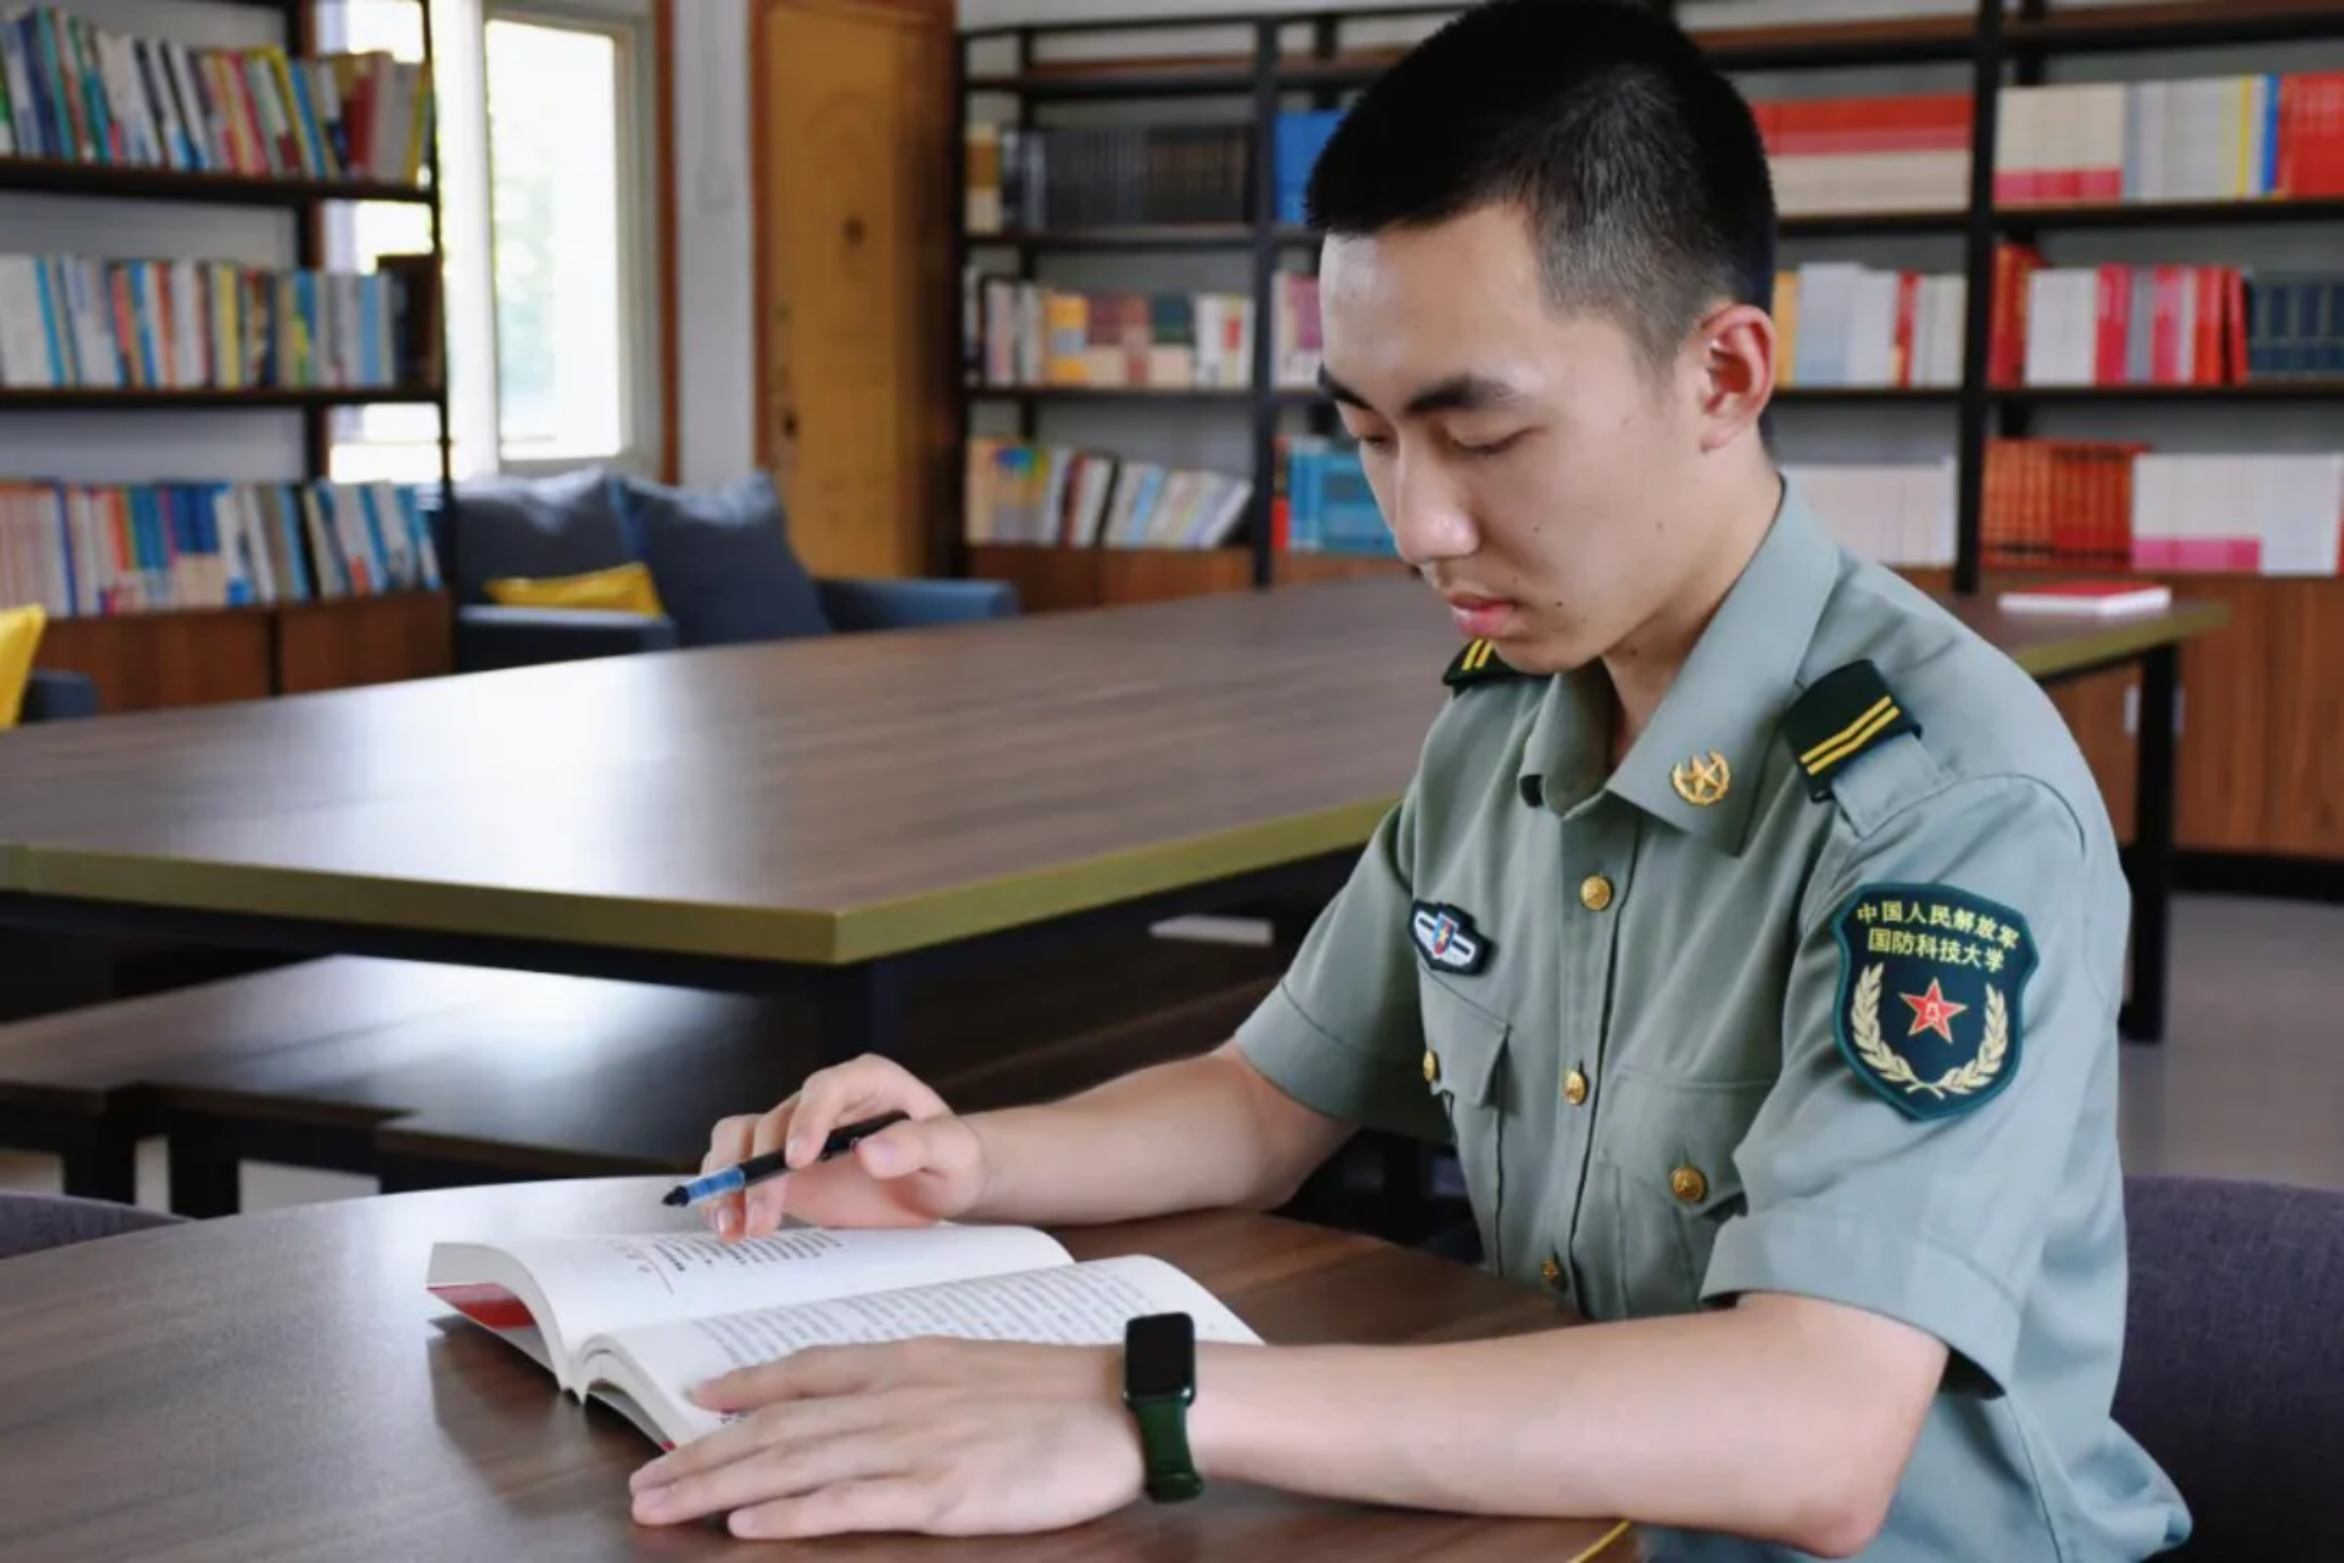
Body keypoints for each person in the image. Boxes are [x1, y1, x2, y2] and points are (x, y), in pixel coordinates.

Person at [627, 0, 2191, 1555]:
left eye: (1481, 435)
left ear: (1723, 374)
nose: (1417, 525)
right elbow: (1265, 1099)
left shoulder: (1943, 801)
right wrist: (959, 1160)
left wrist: (1146, 1400)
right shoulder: (1510, 719)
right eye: (1372, 434)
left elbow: (1815, 1431)